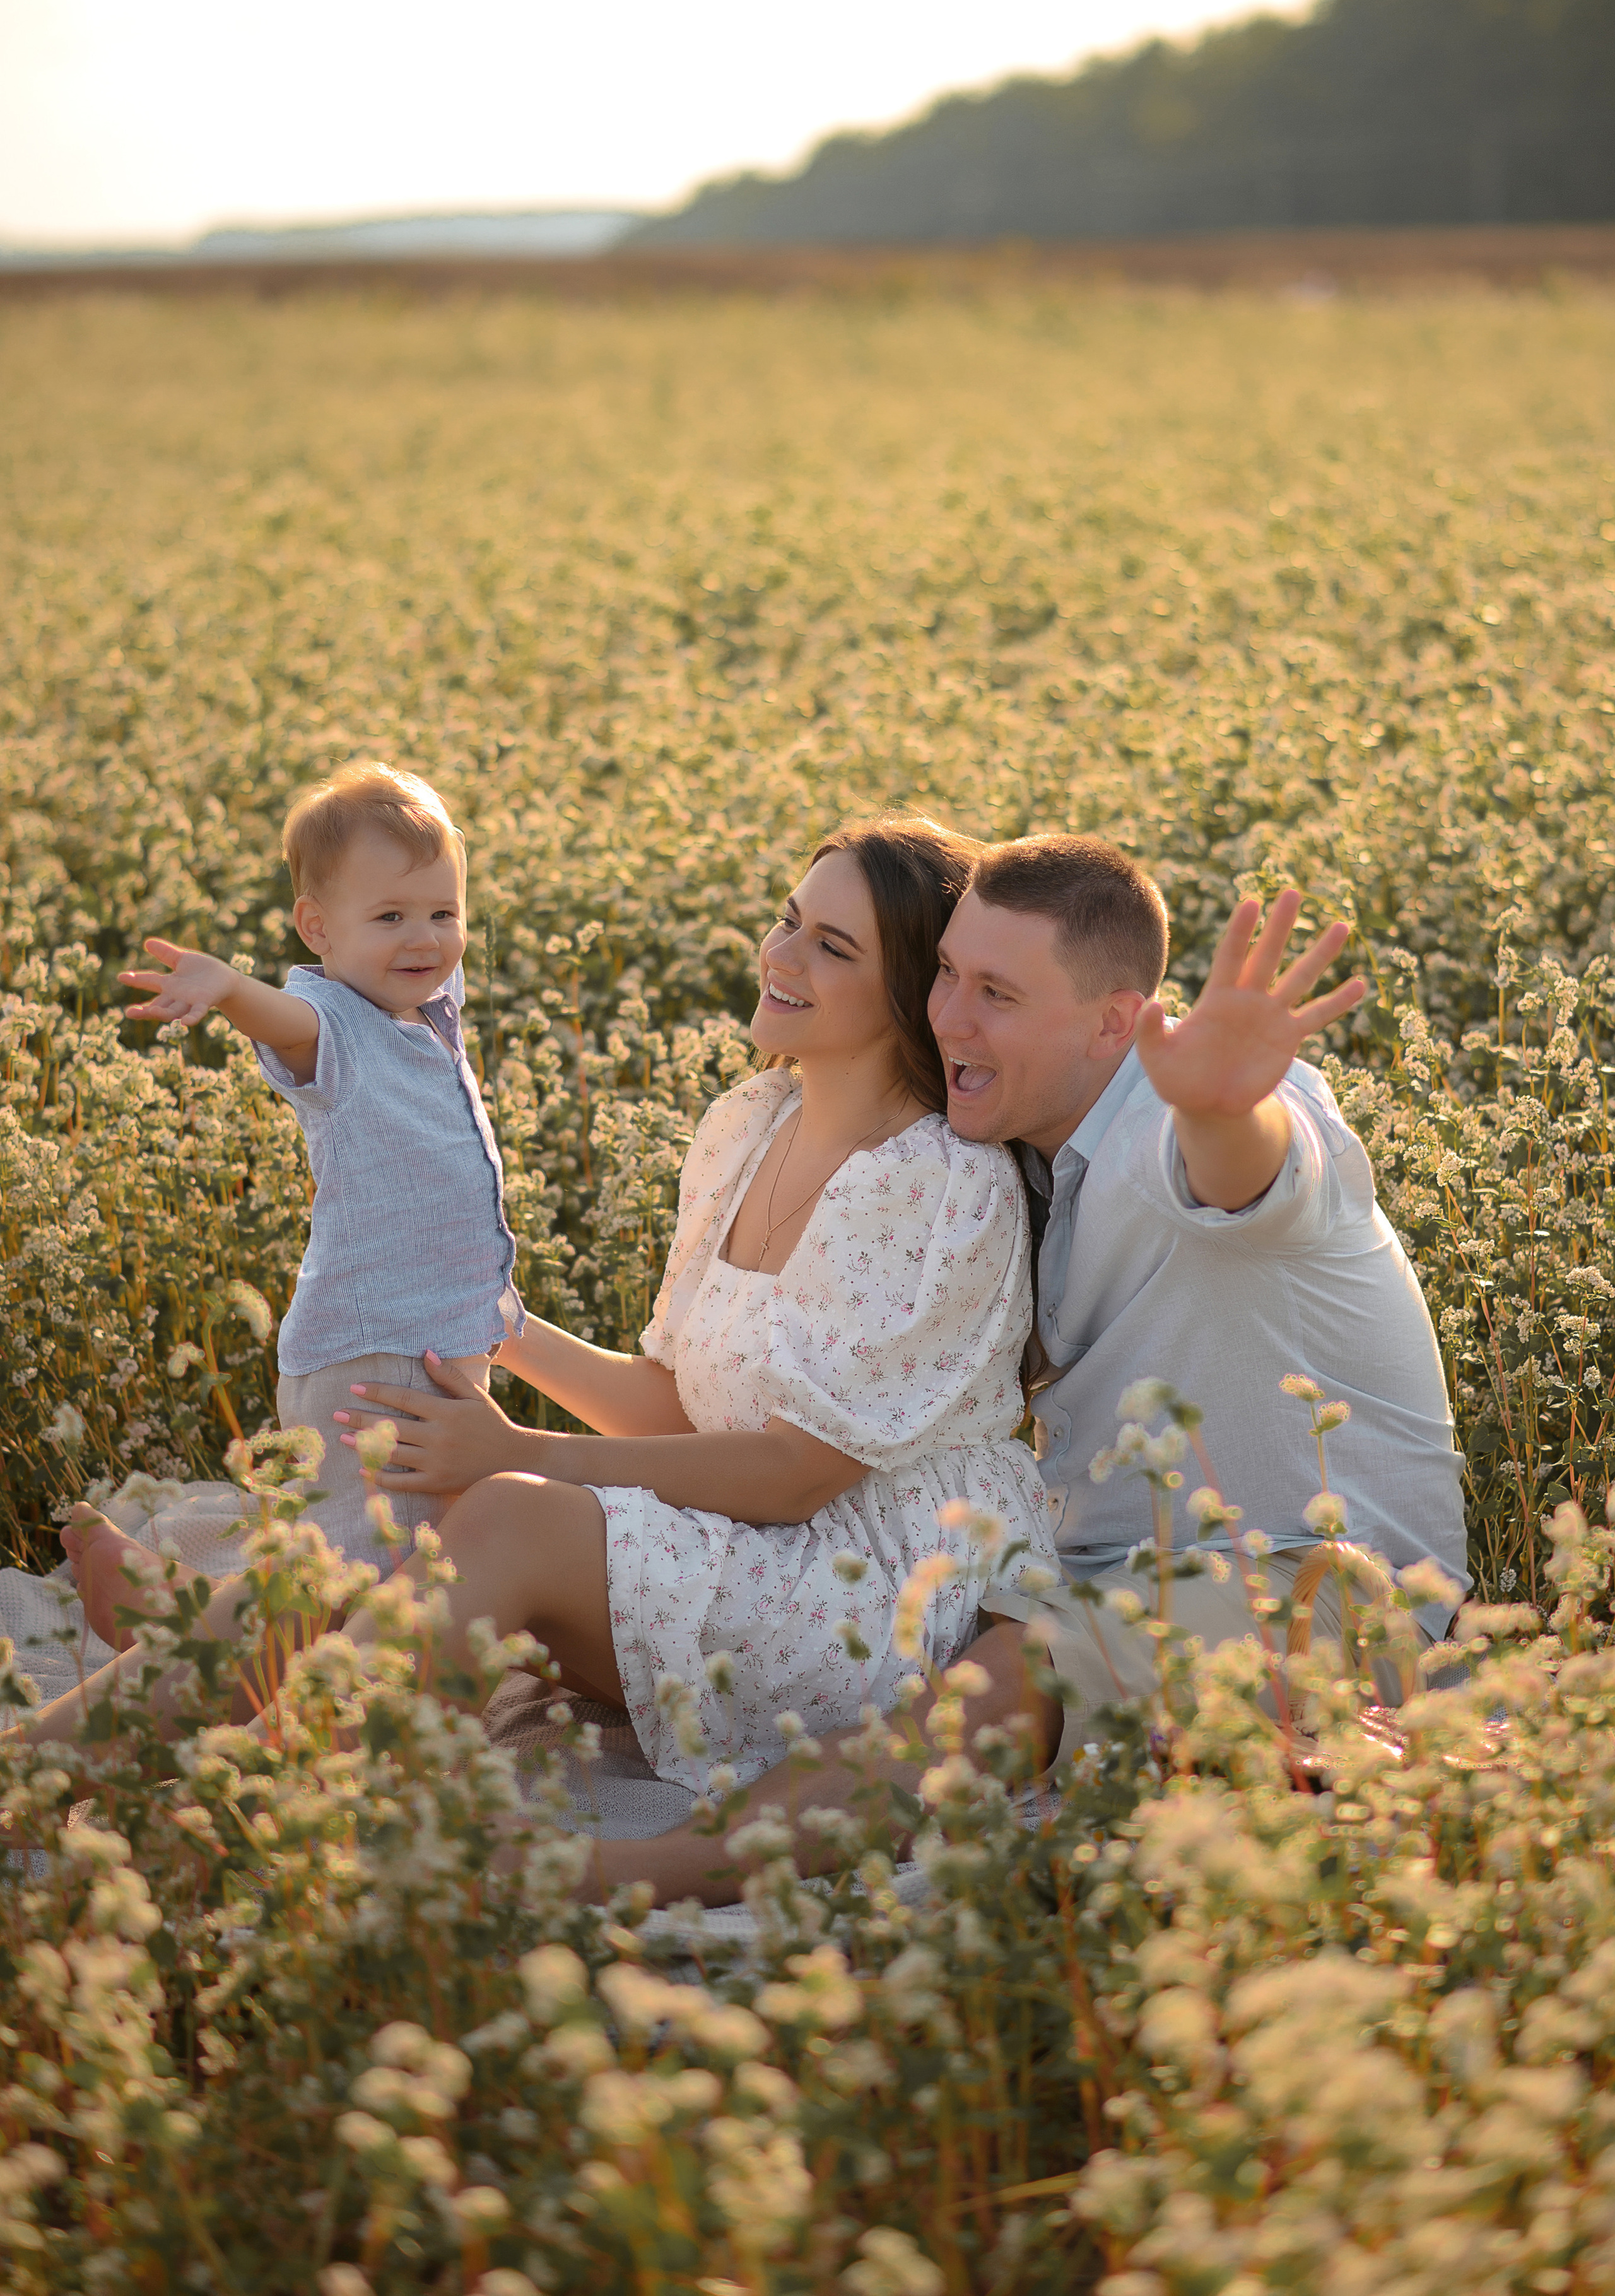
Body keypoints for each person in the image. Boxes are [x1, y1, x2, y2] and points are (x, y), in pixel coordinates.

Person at [40, 817, 1060, 1795]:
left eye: (832, 946)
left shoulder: (941, 1183)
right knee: (408, 1507)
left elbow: (797, 1475)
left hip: (868, 1597)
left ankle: (254, 1790)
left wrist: (519, 1451)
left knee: (507, 1512)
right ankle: (53, 1751)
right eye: (789, 918)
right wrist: (501, 1326)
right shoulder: (750, 1124)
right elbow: (676, 1408)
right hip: (749, 1548)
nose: (783, 954)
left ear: (907, 992)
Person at [574, 833, 1471, 1903]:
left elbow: (1245, 1176)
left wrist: (1230, 1105)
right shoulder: (1007, 1162)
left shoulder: (1186, 1122)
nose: (948, 1015)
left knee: (1001, 1682)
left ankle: (660, 1873)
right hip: (1089, 1571)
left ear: (1112, 1023)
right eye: (948, 972)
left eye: (996, 992)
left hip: (1320, 1582)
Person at [0, 758, 525, 1697]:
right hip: (371, 1366)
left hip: (426, 1353)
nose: (425, 938)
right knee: (346, 1579)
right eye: (391, 916)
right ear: (318, 930)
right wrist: (229, 988)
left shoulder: (424, 1021)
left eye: (443, 913)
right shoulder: (334, 1023)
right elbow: (287, 1020)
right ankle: (189, 1646)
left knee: (401, 1561)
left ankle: (167, 1604)